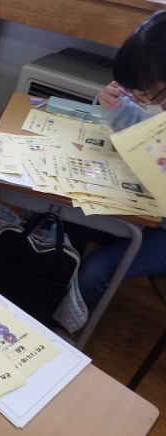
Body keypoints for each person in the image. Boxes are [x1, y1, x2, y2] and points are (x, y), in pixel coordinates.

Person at [75, 10, 166, 313]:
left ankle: (63, 329)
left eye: (149, 93)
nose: (149, 101)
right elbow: (146, 135)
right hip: (145, 210)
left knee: (94, 272)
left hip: (158, 225)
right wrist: (115, 105)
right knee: (64, 224)